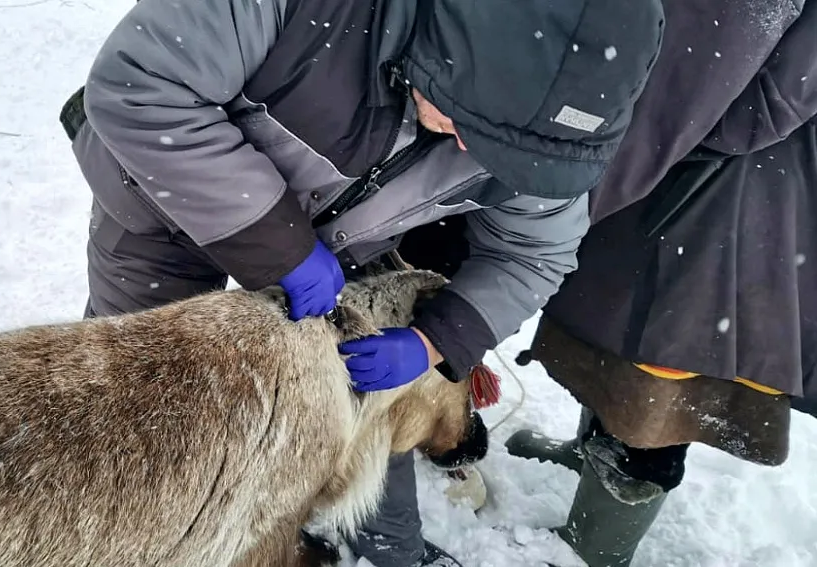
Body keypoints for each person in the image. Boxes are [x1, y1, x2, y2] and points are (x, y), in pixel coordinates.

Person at [59, 0, 665, 564]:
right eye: (472, 124)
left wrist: (438, 341)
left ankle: (362, 539)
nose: (466, 149)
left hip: (338, 247)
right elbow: (143, 86)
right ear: (449, 43)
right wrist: (282, 246)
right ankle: (106, 529)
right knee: (131, 404)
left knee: (348, 406)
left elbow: (537, 250)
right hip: (157, 202)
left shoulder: (538, 136)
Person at [503, 1, 817, 565]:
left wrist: (679, 118)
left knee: (666, 365)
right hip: (682, 139)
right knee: (617, 327)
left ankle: (596, 548)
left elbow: (768, 92)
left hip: (729, 178)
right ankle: (591, 453)